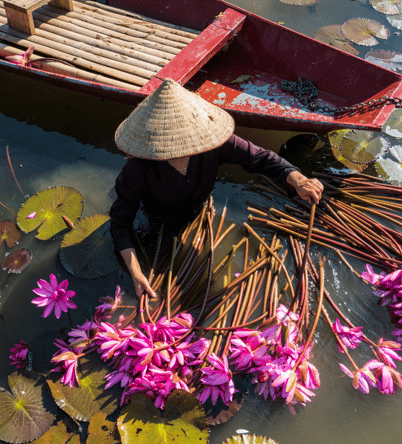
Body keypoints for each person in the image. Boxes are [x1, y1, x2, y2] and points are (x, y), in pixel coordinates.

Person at [109, 79, 323, 300]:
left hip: (196, 208)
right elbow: (119, 223)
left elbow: (259, 157)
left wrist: (297, 179)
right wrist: (136, 273)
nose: (180, 148)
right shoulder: (138, 167)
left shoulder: (212, 143)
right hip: (157, 216)